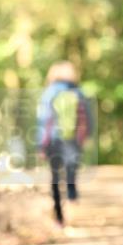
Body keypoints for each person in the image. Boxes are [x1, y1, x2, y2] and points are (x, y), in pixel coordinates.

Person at [36, 61, 92, 229]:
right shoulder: (79, 92)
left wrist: (41, 145)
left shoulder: (49, 93)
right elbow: (88, 118)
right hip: (73, 141)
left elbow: (44, 121)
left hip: (54, 141)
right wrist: (86, 138)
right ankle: (72, 201)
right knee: (70, 176)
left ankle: (59, 217)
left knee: (55, 178)